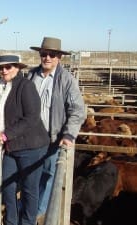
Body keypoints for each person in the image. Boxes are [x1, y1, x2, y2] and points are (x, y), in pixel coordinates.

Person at [27, 37, 86, 224]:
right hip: (30, 138)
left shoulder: (66, 79)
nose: (47, 58)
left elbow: (77, 110)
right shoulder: (30, 76)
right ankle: (30, 208)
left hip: (53, 137)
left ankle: (38, 212)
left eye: (52, 54)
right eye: (44, 54)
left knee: (50, 174)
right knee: (30, 174)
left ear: (59, 57)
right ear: (40, 55)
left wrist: (69, 134)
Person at [0, 54, 50, 225]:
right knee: (7, 187)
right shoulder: (0, 87)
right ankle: (11, 221)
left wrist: (5, 135)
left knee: (29, 189)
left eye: (8, 67)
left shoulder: (25, 86)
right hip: (11, 147)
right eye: (1, 67)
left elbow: (32, 117)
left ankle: (28, 222)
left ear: (17, 68)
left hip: (31, 147)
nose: (4, 70)